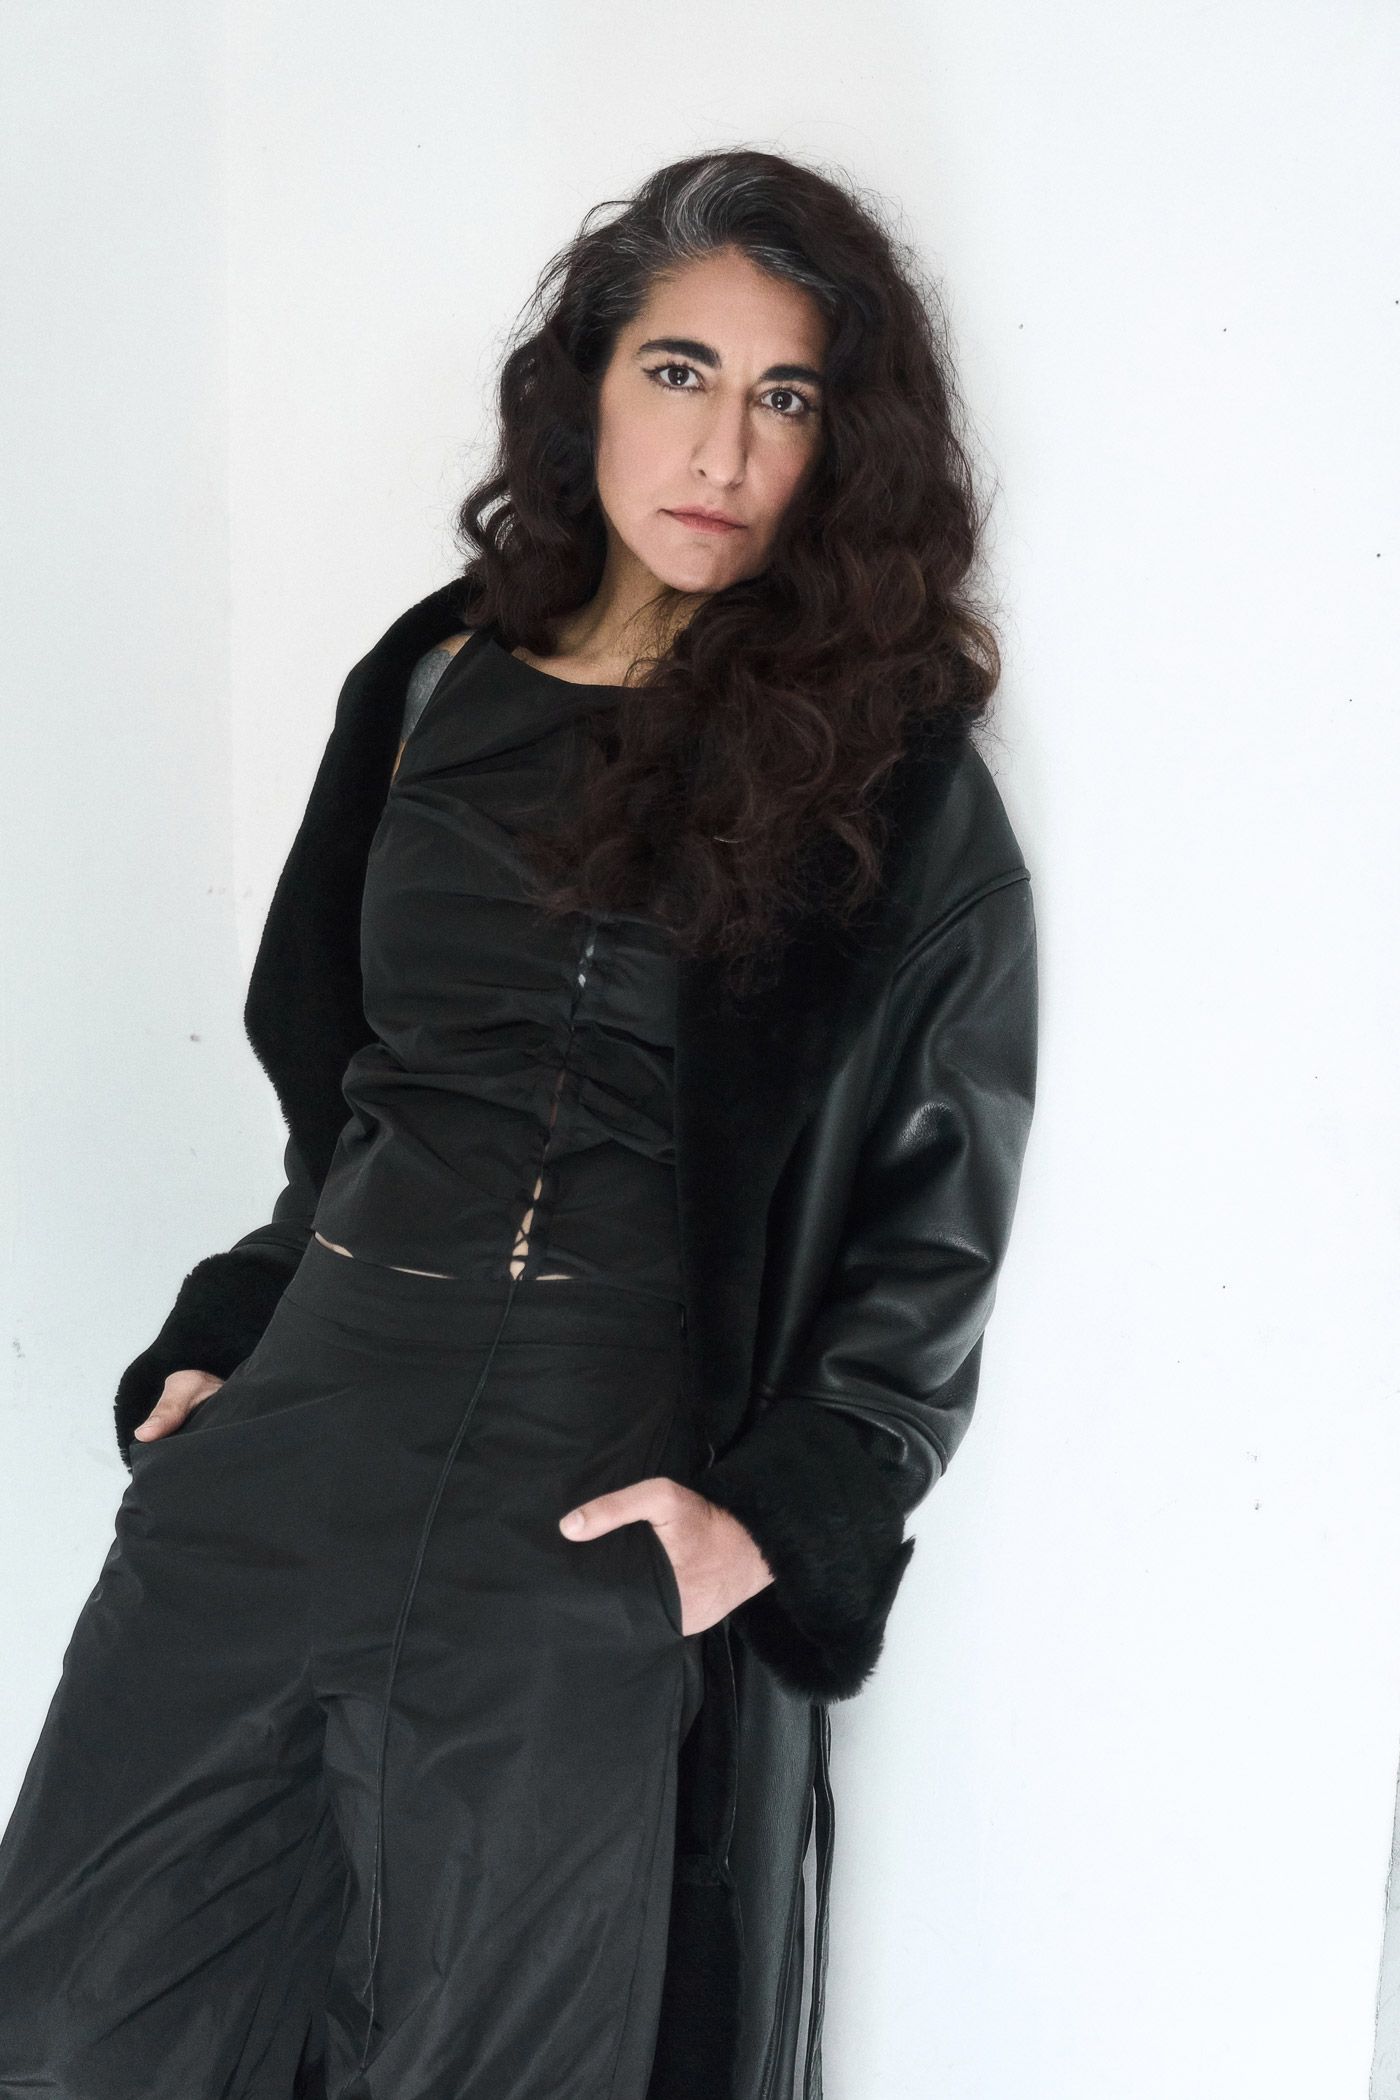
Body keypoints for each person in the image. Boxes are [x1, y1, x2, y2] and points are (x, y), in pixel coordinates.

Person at [0, 147, 1038, 2100]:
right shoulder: (428, 680)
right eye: (678, 371)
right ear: (589, 385)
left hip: (585, 1483)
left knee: (500, 2064)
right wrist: (234, 1340)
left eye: (787, 395)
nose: (722, 446)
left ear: (842, 445)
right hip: (299, 1435)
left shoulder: (886, 777)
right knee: (73, 2028)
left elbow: (934, 1219)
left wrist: (780, 1517)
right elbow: (352, 1096)